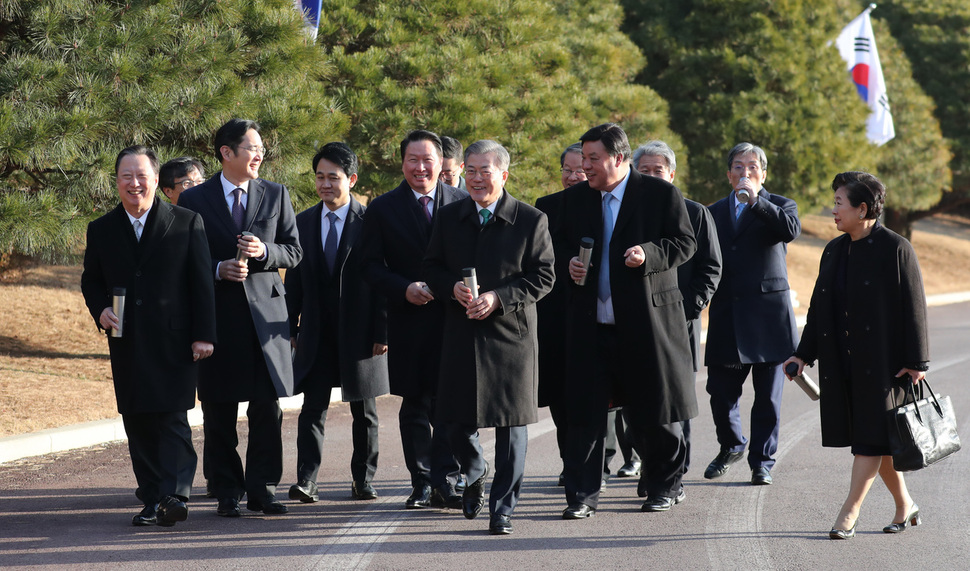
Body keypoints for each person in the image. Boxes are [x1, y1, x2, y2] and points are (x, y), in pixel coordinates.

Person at [558, 123, 697, 517]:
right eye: (583, 158)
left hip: (645, 325)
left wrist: (648, 255)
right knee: (584, 416)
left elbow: (684, 243)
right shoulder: (577, 201)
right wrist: (570, 260)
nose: (585, 167)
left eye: (593, 159)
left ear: (618, 159)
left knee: (653, 413)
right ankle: (582, 497)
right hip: (591, 325)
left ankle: (663, 487)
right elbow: (559, 241)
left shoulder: (659, 194)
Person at [783, 171, 928, 540]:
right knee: (877, 440)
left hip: (885, 365)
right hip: (842, 361)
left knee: (869, 440)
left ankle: (849, 512)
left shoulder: (896, 247)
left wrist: (917, 361)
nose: (833, 210)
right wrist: (803, 355)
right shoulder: (834, 250)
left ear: (862, 208)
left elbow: (914, 307)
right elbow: (819, 308)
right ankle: (905, 505)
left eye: (839, 203)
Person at [423, 139, 555, 535]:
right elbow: (431, 266)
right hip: (462, 333)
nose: (477, 179)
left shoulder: (531, 220)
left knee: (512, 429)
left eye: (486, 171)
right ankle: (475, 468)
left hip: (511, 338)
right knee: (452, 420)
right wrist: (451, 288)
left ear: (504, 174)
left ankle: (503, 510)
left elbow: (544, 276)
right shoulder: (448, 218)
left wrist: (499, 297)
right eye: (472, 171)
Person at [80, 145, 216, 527]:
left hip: (175, 340)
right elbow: (91, 280)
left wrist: (204, 334)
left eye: (142, 176)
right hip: (126, 340)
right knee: (138, 422)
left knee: (172, 419)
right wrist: (100, 309)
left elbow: (201, 283)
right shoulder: (102, 228)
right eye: (127, 176)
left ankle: (174, 496)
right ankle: (153, 497)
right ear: (117, 181)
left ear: (156, 180)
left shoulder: (187, 221)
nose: (134, 183)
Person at [178, 118, 303, 517]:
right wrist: (218, 269)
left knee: (267, 410)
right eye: (252, 147)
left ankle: (263, 489)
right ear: (226, 153)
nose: (260, 154)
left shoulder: (276, 194)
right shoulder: (195, 200)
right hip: (217, 317)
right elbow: (185, 261)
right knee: (219, 409)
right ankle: (227, 490)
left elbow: (294, 251)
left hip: (266, 320)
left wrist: (266, 251)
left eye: (261, 147)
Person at [360, 129, 466, 509]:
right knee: (416, 404)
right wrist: (403, 288)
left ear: (442, 164)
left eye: (428, 161)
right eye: (412, 160)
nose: (420, 168)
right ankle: (422, 481)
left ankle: (448, 480)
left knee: (451, 404)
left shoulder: (463, 201)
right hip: (409, 319)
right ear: (401, 162)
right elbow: (368, 266)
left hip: (455, 320)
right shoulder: (383, 208)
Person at [285, 142, 390, 504]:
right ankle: (306, 481)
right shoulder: (302, 222)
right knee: (312, 409)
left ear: (352, 179)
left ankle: (363, 479)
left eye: (334, 177)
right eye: (320, 177)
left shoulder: (372, 221)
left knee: (365, 411)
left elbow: (382, 281)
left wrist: (382, 331)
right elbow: (293, 281)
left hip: (361, 334)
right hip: (316, 333)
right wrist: (291, 327)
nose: (325, 184)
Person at [703, 142, 800, 487]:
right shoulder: (712, 212)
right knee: (720, 393)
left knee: (768, 399)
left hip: (768, 319)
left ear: (764, 173)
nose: (746, 173)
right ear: (728, 174)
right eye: (739, 167)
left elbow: (789, 230)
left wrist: (756, 201)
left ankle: (762, 461)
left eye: (753, 167)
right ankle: (732, 445)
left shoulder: (781, 206)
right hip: (727, 314)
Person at [632, 140, 722, 481]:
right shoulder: (631, 214)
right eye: (645, 171)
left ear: (671, 174)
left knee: (676, 400)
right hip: (637, 321)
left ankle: (674, 475)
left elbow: (711, 268)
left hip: (679, 320)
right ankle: (651, 468)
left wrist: (687, 307)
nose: (652, 177)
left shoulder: (695, 212)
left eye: (659, 171)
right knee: (638, 400)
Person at [535, 143, 586, 487]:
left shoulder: (607, 205)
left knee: (595, 395)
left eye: (579, 169)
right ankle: (571, 461)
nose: (572, 177)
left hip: (594, 312)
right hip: (555, 313)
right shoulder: (546, 207)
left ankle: (597, 461)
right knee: (560, 395)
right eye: (566, 170)